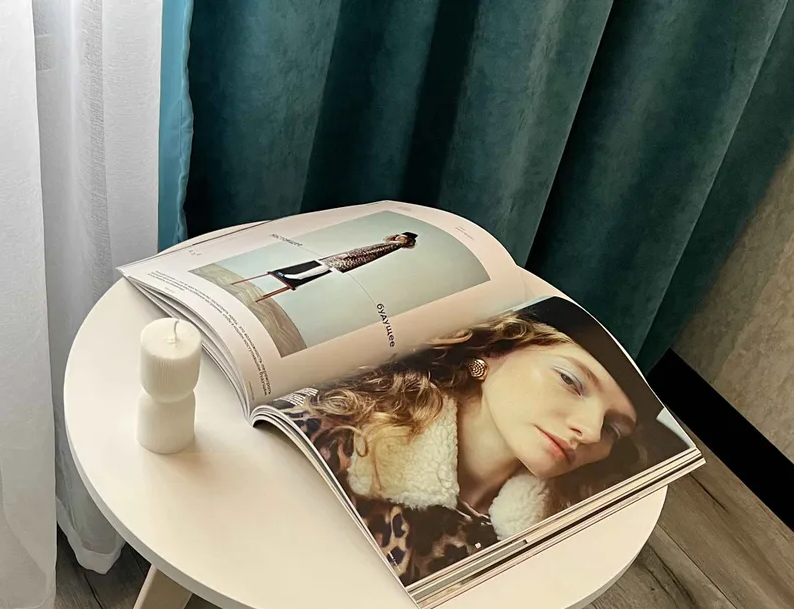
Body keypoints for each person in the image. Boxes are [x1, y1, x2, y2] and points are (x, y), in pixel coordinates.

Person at [279, 298, 686, 585]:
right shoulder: (340, 436)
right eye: (570, 381)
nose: (592, 432)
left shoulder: (552, 541)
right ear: (495, 350)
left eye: (613, 430)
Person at [234, 232, 418, 302]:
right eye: (400, 236)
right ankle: (295, 277)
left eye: (403, 238)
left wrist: (349, 255)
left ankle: (295, 277)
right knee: (324, 266)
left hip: (351, 258)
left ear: (405, 241)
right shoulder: (392, 245)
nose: (399, 238)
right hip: (352, 259)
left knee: (324, 266)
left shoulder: (392, 246)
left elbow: (369, 250)